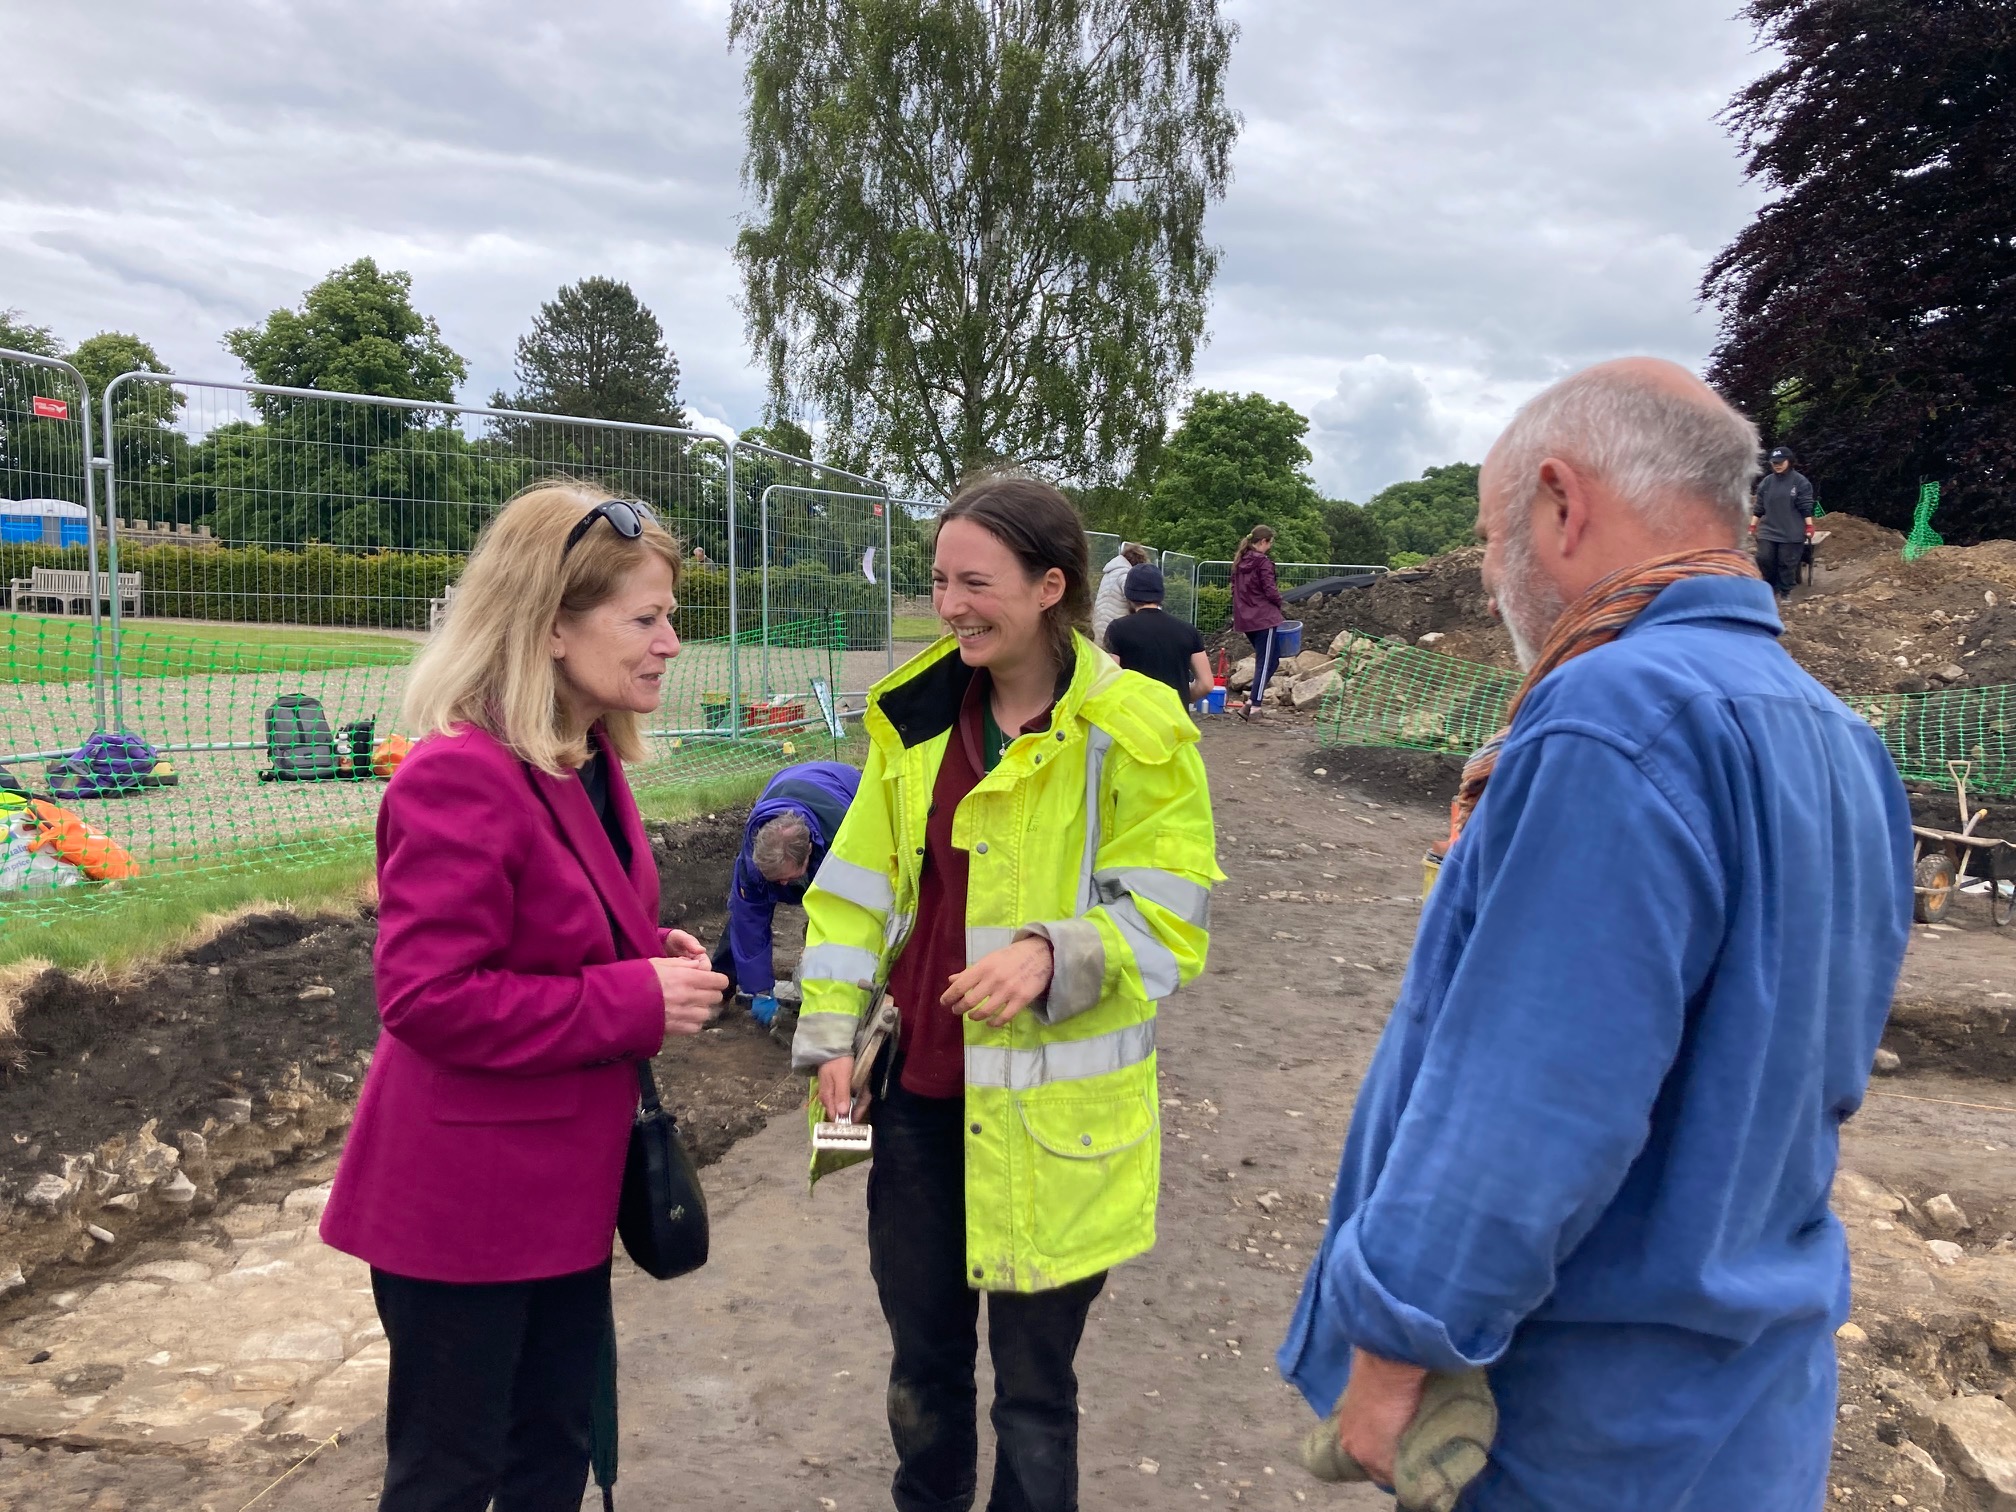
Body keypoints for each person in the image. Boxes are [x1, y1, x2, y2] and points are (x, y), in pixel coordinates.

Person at [1278, 359, 1911, 1509]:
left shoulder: (1614, 715)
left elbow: (1533, 1097)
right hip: (1743, 1409)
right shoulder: (1840, 738)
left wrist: (1394, 1346)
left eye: (1487, 534)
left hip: (1576, 1423)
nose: (1483, 580)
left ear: (1562, 504)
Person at [792, 474, 1222, 1512]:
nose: (950, 606)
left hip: (1055, 1123)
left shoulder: (1134, 729)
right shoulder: (918, 720)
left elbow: (1171, 917)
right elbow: (855, 897)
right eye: (939, 581)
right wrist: (832, 1038)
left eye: (974, 583)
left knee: (1034, 1397)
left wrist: (1051, 950)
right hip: (921, 1110)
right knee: (923, 1371)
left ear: (1049, 587)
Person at [319, 482, 730, 1511]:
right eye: (645, 618)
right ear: (551, 626)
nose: (670, 642)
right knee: (451, 1479)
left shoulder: (584, 760)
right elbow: (427, 997)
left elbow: (550, 921)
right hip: (465, 1209)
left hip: (556, 1194)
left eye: (667, 617)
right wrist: (634, 1000)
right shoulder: (458, 776)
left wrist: (646, 949)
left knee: (553, 1456)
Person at [709, 760, 862, 1027]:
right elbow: (749, 920)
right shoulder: (754, 854)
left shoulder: (844, 834)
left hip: (844, 791)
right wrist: (760, 990)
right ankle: (721, 990)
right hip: (787, 784)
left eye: (788, 879)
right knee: (743, 915)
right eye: (775, 880)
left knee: (841, 917)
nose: (781, 886)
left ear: (810, 854)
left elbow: (857, 905)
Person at [1103, 561, 1211, 706]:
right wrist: (1182, 698)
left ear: (1128, 594)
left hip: (1135, 718)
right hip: (1176, 720)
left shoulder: (1118, 628)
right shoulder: (1188, 630)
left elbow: (1110, 679)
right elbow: (1206, 684)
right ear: (1161, 594)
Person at [1230, 524, 1285, 719]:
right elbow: (1270, 590)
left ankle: (1251, 702)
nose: (1269, 547)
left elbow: (1234, 590)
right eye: (1269, 543)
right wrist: (1281, 603)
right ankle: (1255, 708)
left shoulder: (1239, 562)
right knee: (1265, 661)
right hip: (1264, 618)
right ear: (1263, 542)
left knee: (1273, 658)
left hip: (1246, 619)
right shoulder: (1262, 562)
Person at [1750, 445, 1815, 597]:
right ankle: (1771, 588)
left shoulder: (1800, 482)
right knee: (1763, 558)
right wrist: (1753, 525)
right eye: (1774, 462)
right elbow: (1759, 507)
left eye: (1781, 462)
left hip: (1791, 531)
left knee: (1786, 563)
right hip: (1769, 529)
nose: (1777, 465)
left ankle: (1786, 591)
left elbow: (1805, 506)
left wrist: (1809, 526)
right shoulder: (1767, 483)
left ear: (1789, 462)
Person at [1090, 541, 1151, 645]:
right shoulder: (1125, 574)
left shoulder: (1110, 572)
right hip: (1115, 627)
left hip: (1100, 624)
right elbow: (1133, 598)